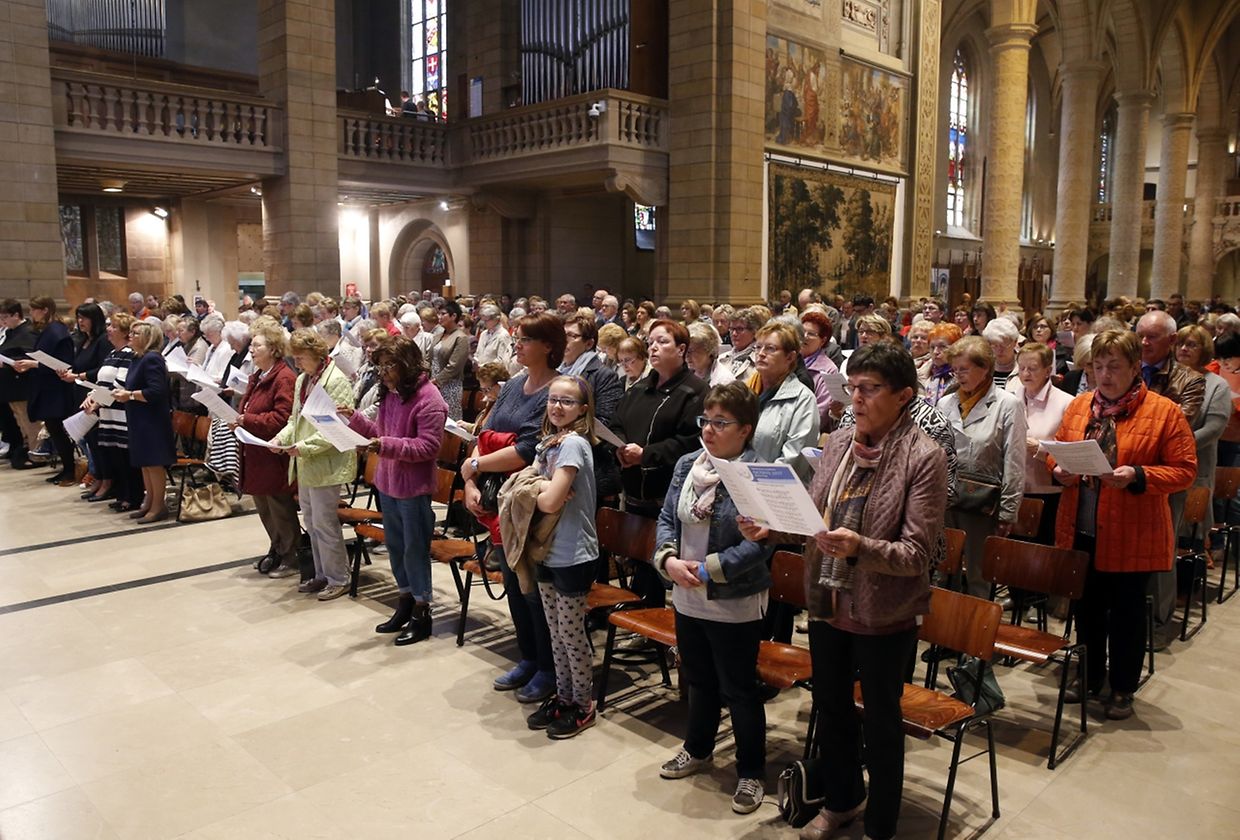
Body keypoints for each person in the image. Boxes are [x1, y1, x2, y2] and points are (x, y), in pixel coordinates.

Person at [764, 342, 945, 840]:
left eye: (869, 389)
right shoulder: (841, 442)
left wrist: (859, 547)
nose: (856, 399)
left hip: (884, 613)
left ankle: (880, 827)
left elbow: (915, 554)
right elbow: (813, 519)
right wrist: (773, 526)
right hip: (828, 602)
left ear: (904, 395)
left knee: (882, 726)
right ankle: (843, 801)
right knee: (832, 710)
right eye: (852, 388)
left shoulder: (923, 457)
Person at [1050, 330, 1196, 720]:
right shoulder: (1081, 406)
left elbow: (1184, 471)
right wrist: (1058, 469)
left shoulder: (1164, 411)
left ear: (1135, 368)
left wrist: (1139, 475)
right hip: (1083, 526)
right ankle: (1090, 675)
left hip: (1134, 532)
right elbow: (1061, 449)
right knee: (1088, 610)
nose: (1105, 374)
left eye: (1114, 366)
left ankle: (1122, 688)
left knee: (1127, 616)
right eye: (1098, 366)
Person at [653, 383, 772, 815]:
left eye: (721, 423)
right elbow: (668, 517)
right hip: (687, 591)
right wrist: (668, 560)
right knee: (698, 678)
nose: (709, 430)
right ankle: (698, 748)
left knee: (739, 689)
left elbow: (760, 545)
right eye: (706, 420)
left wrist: (706, 570)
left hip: (732, 596)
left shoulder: (756, 473)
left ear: (745, 429)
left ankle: (751, 772)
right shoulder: (688, 464)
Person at [461, 312, 563, 702]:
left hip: (529, 504)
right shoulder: (515, 383)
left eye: (525, 340)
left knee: (534, 589)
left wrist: (476, 465)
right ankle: (528, 657)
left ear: (548, 347)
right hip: (496, 499)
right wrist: (471, 480)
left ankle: (550, 667)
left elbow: (525, 450)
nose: (515, 345)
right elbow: (484, 432)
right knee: (514, 587)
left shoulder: (558, 390)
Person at [346, 336, 448, 644]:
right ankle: (404, 601)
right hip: (388, 482)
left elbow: (428, 447)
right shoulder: (391, 393)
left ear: (408, 364)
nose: (384, 372)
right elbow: (380, 434)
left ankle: (422, 611)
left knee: (414, 550)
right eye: (380, 366)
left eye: (390, 365)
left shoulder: (429, 398)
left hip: (414, 488)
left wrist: (384, 444)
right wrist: (351, 419)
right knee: (395, 547)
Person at [519, 375, 600, 739]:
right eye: (553, 399)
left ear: (583, 409)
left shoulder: (575, 445)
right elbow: (534, 488)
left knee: (571, 635)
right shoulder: (548, 443)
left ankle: (584, 704)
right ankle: (564, 697)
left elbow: (549, 500)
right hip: (547, 548)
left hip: (573, 551)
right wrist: (536, 489)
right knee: (554, 633)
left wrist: (529, 492)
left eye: (567, 402)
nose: (557, 407)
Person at [610, 319, 708, 605]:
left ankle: (664, 628)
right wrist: (619, 448)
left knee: (663, 559)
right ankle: (643, 616)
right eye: (651, 341)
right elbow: (617, 422)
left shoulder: (695, 391)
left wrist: (645, 455)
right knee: (641, 559)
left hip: (666, 491)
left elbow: (691, 442)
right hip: (633, 487)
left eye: (662, 341)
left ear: (681, 349)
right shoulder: (639, 389)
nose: (653, 347)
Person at [272, 329, 357, 601]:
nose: (296, 363)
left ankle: (339, 577)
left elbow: (338, 426)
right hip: (306, 463)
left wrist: (303, 447)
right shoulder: (302, 380)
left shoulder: (336, 380)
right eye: (294, 357)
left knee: (325, 523)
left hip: (327, 462)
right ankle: (321, 574)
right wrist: (280, 439)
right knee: (311, 522)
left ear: (316, 354)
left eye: (300, 357)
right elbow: (294, 421)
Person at [939, 336, 1026, 597]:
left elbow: (1014, 460)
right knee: (945, 571)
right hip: (947, 498)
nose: (958, 375)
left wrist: (1008, 511)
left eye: (964, 369)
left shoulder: (1007, 404)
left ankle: (973, 633)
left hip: (983, 502)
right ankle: (943, 634)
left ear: (985, 367)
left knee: (978, 574)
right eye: (954, 369)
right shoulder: (947, 402)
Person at [233, 320, 298, 578]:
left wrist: (245, 420)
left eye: (256, 345)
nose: (251, 349)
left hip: (272, 452)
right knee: (263, 505)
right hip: (255, 451)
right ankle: (277, 548)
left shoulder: (283, 377)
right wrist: (238, 418)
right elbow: (249, 408)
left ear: (272, 348)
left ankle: (290, 555)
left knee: (279, 506)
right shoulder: (259, 374)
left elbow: (282, 418)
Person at [1007, 342, 1073, 545]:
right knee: (1012, 553)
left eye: (1032, 368)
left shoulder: (1066, 402)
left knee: (1040, 553)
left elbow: (1071, 449)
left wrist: (1039, 447)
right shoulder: (1009, 398)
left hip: (1047, 490)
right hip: (1013, 488)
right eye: (1022, 368)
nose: (1025, 373)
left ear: (1047, 370)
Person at [1173, 325, 1231, 550]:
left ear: (1204, 349)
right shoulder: (1168, 378)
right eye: (1180, 343)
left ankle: (1190, 581)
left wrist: (1175, 447)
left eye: (1191, 344)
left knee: (1188, 532)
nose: (1184, 349)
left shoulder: (1217, 385)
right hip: (1160, 467)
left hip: (1196, 466)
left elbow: (1214, 428)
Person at [111, 322, 175, 522]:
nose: (130, 335)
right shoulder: (137, 358)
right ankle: (148, 502)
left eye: (135, 333)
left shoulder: (152, 359)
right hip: (139, 418)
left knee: (154, 463)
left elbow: (156, 391)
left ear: (148, 338)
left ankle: (158, 506)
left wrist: (128, 395)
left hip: (152, 420)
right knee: (144, 464)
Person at [11, 297, 77, 484]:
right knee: (54, 430)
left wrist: (34, 364)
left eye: (34, 309)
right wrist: (31, 365)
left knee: (58, 430)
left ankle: (70, 470)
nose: (31, 313)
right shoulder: (48, 330)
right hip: (47, 387)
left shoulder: (57, 331)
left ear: (45, 310)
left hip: (57, 389)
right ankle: (66, 468)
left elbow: (64, 363)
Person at [745, 322, 820, 481]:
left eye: (770, 348)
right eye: (758, 347)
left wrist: (751, 481)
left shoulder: (803, 399)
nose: (761, 354)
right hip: (739, 483)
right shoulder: (745, 392)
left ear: (790, 357)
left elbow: (793, 461)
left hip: (777, 492)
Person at [80, 311, 138, 507]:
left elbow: (120, 385)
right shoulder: (112, 354)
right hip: (108, 413)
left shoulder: (129, 354)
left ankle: (132, 497)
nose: (108, 330)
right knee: (114, 457)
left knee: (125, 458)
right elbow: (102, 382)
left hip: (120, 413)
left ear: (124, 332)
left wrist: (97, 401)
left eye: (113, 327)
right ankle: (121, 495)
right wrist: (91, 396)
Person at [0, 300, 38, 468]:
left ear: (17, 315)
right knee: (21, 423)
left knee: (30, 423)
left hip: (23, 386)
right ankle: (29, 450)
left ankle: (37, 453)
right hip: (11, 387)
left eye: (5, 317)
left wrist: (7, 363)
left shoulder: (27, 332)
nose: (3, 320)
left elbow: (30, 357)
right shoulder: (11, 332)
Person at [799, 310, 842, 427]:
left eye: (811, 334)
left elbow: (821, 413)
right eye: (802, 332)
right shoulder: (788, 360)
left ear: (822, 341)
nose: (804, 337)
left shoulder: (829, 370)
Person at [431, 300, 470, 421]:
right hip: (433, 382)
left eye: (443, 314)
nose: (439, 317)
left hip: (450, 385)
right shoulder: (438, 336)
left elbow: (454, 366)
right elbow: (429, 359)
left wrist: (436, 381)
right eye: (439, 314)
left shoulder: (461, 337)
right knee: (434, 418)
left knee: (449, 420)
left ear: (453, 316)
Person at [718, 307, 762, 381]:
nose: (734, 334)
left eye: (740, 329)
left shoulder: (760, 359)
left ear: (754, 331)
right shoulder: (720, 358)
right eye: (732, 329)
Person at [924, 322, 962, 407]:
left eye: (942, 347)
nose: (935, 352)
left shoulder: (962, 377)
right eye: (932, 347)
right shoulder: (923, 376)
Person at [686, 321, 734, 386]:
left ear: (709, 350)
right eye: (685, 350)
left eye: (690, 351)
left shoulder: (725, 381)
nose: (686, 355)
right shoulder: (685, 374)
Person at [983, 317, 1021, 389]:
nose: (999, 349)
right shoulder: (983, 367)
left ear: (1015, 342)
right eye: (994, 345)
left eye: (1004, 344)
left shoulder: (1023, 366)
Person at [473, 303, 514, 369]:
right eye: (483, 320)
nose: (484, 323)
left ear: (496, 319)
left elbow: (502, 360)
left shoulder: (503, 335)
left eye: (486, 320)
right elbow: (478, 353)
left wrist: (483, 366)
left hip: (493, 374)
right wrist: (475, 361)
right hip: (480, 373)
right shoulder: (483, 334)